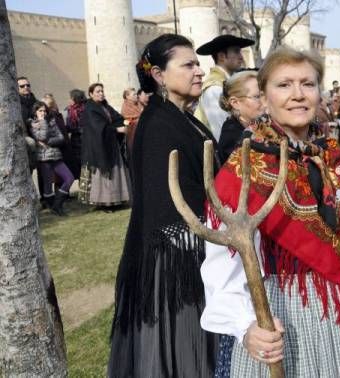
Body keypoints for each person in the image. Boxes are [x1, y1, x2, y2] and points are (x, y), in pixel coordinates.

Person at [201, 46, 340, 377]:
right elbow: (223, 265)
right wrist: (246, 326)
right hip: (281, 317)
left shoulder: (330, 155)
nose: (298, 95)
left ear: (319, 92)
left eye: (307, 84)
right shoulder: (243, 171)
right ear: (263, 97)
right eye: (284, 85)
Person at [108, 34, 220, 377]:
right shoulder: (158, 124)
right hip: (174, 259)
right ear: (158, 74)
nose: (198, 71)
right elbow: (163, 201)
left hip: (194, 246)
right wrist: (204, 245)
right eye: (188, 65)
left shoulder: (182, 116)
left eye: (197, 64)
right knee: (182, 351)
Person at [79, 82, 131, 209]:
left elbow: (116, 117)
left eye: (102, 91)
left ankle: (117, 199)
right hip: (97, 147)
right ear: (91, 94)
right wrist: (116, 130)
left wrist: (123, 122)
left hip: (110, 144)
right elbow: (99, 127)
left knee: (115, 172)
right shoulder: (90, 108)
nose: (101, 93)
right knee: (101, 175)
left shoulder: (105, 106)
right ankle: (104, 203)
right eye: (98, 91)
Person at [194, 34, 255, 141]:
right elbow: (222, 133)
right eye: (236, 51)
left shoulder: (226, 83)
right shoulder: (214, 88)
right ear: (222, 56)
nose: (241, 57)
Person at [29, 102, 74, 215]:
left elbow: (60, 138)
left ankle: (57, 204)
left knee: (69, 178)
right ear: (35, 112)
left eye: (44, 111)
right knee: (48, 186)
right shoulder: (32, 123)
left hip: (56, 156)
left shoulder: (51, 121)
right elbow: (41, 136)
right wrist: (43, 122)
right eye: (40, 111)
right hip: (44, 158)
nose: (43, 113)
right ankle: (55, 208)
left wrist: (47, 142)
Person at [218, 70, 263, 162]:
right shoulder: (232, 137)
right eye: (257, 97)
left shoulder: (258, 125)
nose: (265, 102)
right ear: (235, 103)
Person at [65, 89, 86, 180]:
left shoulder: (84, 109)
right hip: (75, 142)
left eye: (70, 98)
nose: (69, 100)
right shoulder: (70, 110)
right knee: (79, 166)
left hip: (84, 141)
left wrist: (74, 129)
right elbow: (69, 126)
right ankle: (83, 189)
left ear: (75, 99)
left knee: (85, 165)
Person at [121, 87, 144, 152]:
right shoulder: (126, 106)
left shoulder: (138, 104)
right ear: (127, 96)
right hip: (132, 134)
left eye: (136, 94)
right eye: (134, 94)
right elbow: (127, 121)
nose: (136, 96)